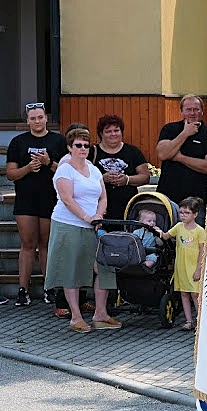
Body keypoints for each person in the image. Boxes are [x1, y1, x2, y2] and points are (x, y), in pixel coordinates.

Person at [43, 128, 121, 332]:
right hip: (68, 225)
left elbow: (103, 197)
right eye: (78, 145)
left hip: (93, 226)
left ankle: (101, 314)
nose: (83, 149)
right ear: (70, 147)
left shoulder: (94, 169)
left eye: (86, 145)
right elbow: (67, 200)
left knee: (103, 266)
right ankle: (75, 317)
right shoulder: (64, 169)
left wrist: (99, 215)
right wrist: (88, 217)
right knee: (72, 269)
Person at [5, 102, 67, 307]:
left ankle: (50, 287)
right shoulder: (18, 142)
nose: (37, 121)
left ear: (46, 118)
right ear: (27, 121)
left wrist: (48, 163)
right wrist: (29, 168)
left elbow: (66, 173)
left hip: (51, 199)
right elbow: (11, 173)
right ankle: (23, 289)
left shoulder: (58, 141)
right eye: (33, 118)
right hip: (26, 199)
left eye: (40, 117)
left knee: (46, 244)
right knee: (27, 244)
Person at [156, 95, 207, 216]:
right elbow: (163, 154)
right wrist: (185, 133)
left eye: (196, 109)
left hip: (197, 202)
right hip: (168, 198)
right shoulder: (169, 129)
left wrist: (180, 158)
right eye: (188, 109)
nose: (192, 113)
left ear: (202, 111)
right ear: (182, 111)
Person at [91, 114, 150, 220]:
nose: (113, 134)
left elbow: (145, 176)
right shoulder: (91, 152)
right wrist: (102, 178)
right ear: (101, 134)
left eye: (116, 130)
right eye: (108, 131)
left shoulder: (133, 152)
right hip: (98, 209)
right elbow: (81, 176)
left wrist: (127, 179)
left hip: (128, 209)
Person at [161, 197, 206, 331]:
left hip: (193, 267)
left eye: (186, 213)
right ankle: (188, 321)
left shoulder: (199, 231)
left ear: (195, 214)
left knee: (195, 294)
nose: (183, 216)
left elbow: (203, 252)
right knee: (184, 294)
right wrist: (156, 230)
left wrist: (199, 269)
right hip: (181, 267)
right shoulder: (179, 227)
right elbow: (165, 236)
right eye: (181, 213)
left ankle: (200, 320)